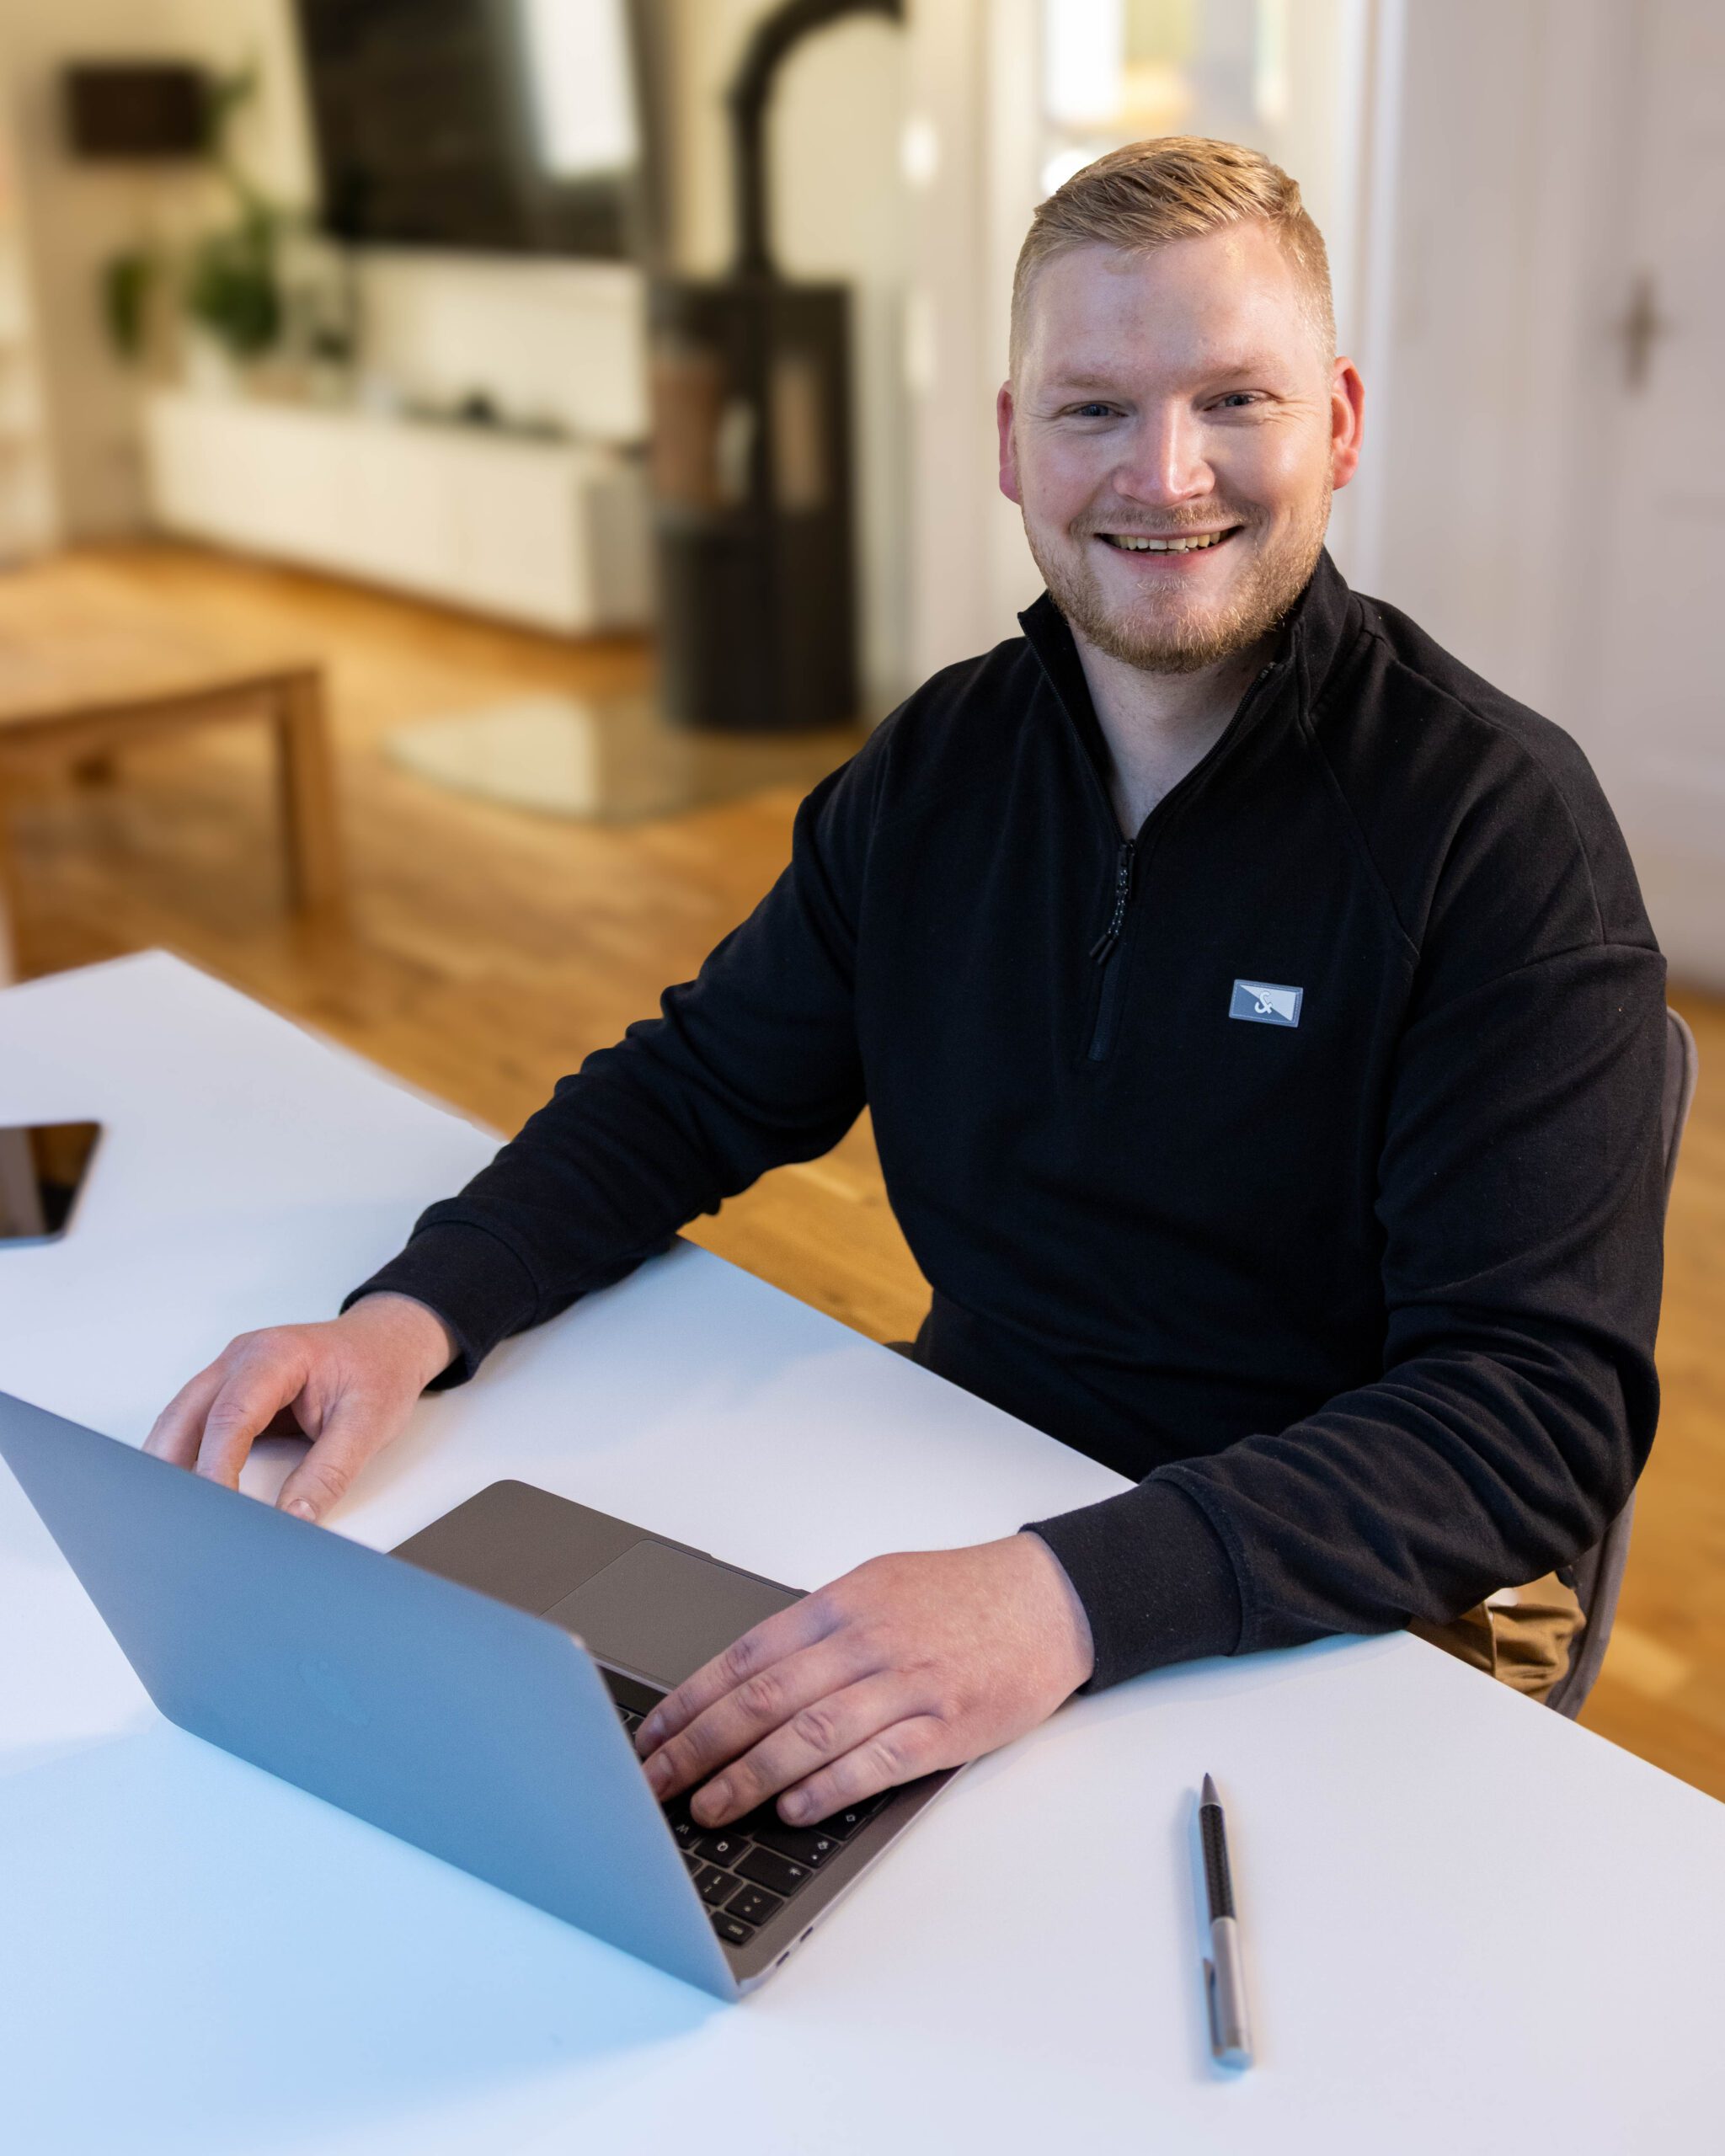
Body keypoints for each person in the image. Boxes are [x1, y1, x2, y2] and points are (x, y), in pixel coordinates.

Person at [147, 138, 1667, 1835]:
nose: (1165, 475)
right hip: (959, 1483)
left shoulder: (1495, 831)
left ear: (1340, 420)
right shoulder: (945, 760)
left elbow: (1529, 1409)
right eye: (1096, 407)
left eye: (1234, 397)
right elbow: (700, 1083)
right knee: (510, 1777)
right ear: (1013, 446)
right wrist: (411, 1312)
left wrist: (1059, 1596)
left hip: (1312, 1597)